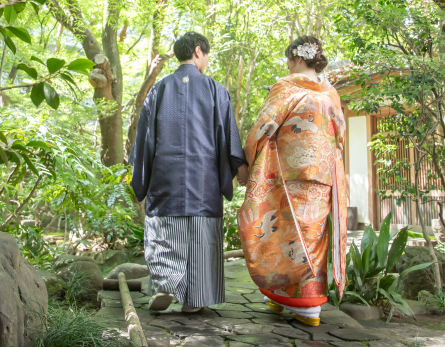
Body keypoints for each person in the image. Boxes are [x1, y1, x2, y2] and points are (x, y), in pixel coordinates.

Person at [130, 31, 249, 312]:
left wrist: (141, 182)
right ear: (198, 51)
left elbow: (143, 140)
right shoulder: (215, 90)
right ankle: (195, 300)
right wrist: (239, 168)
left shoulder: (158, 90)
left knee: (165, 233)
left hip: (165, 180)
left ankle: (166, 285)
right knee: (200, 237)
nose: (206, 60)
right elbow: (227, 136)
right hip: (203, 180)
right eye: (207, 54)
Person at [237, 36, 347, 326]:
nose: (287, 65)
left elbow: (262, 128)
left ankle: (283, 294)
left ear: (298, 58)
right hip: (321, 176)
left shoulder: (287, 87)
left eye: (288, 59)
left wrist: (249, 162)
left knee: (282, 232)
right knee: (312, 235)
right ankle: (307, 306)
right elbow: (339, 138)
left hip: (287, 174)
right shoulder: (331, 94)